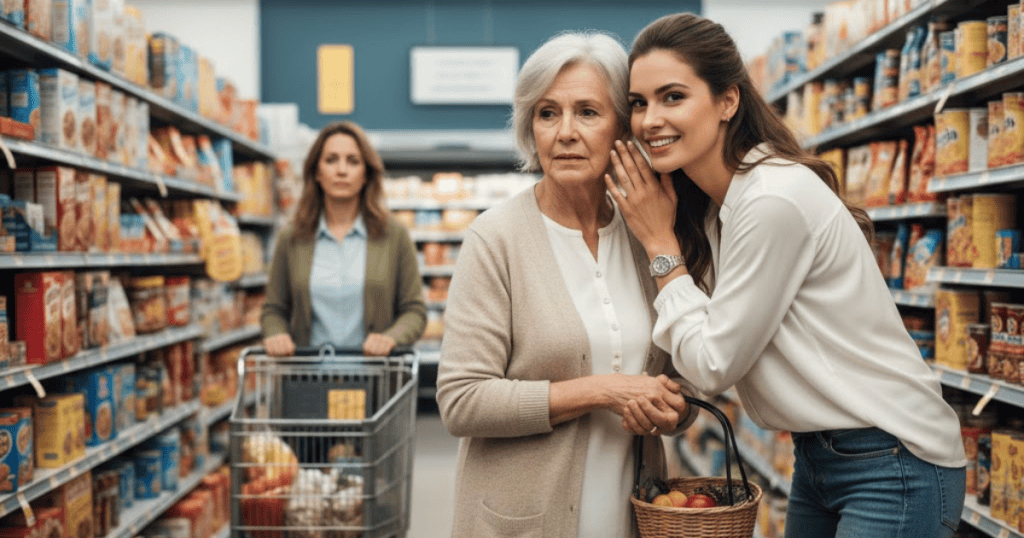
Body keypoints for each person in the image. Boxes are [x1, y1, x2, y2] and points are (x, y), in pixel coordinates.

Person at [609, 12, 967, 538]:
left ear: (727, 101)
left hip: (892, 460)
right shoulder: (716, 208)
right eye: (639, 103)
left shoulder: (771, 200)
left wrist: (660, 245)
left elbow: (714, 363)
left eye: (672, 97)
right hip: (821, 457)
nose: (649, 120)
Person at [435, 31, 698, 538]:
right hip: (525, 522)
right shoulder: (497, 239)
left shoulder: (651, 232)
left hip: (633, 514)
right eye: (547, 113)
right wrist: (600, 390)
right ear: (530, 129)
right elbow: (462, 400)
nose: (565, 132)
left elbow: (679, 380)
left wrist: (675, 410)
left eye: (588, 112)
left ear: (624, 127)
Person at [261, 121, 426, 358]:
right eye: (331, 160)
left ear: (366, 174)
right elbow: (274, 309)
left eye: (353, 161)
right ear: (316, 172)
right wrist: (276, 334)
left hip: (376, 379)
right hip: (307, 378)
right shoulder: (292, 238)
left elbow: (414, 311)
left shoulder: (394, 236)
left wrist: (391, 337)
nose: (341, 170)